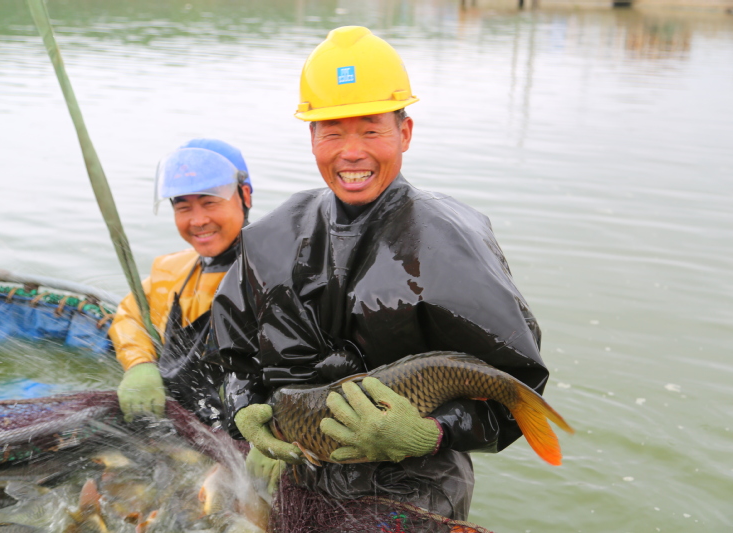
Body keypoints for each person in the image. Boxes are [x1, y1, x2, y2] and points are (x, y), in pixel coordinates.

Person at [208, 26, 549, 520]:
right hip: (297, 470)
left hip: (415, 489)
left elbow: (517, 385)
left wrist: (433, 432)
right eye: (333, 131)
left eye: (371, 130)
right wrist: (244, 406)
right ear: (312, 137)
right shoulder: (271, 236)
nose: (352, 152)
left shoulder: (450, 242)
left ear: (404, 133)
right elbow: (232, 350)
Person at [110, 139, 253, 427]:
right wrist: (140, 365)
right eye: (184, 207)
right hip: (172, 421)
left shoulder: (274, 272)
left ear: (245, 196)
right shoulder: (171, 269)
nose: (198, 220)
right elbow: (129, 317)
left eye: (210, 202)